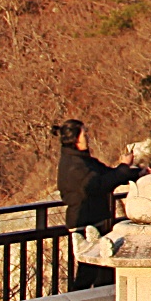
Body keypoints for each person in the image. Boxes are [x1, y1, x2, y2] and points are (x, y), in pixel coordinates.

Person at [54, 119, 141, 290]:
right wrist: (124, 166)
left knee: (103, 269)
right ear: (75, 139)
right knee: (88, 271)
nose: (88, 138)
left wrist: (136, 173)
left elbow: (109, 174)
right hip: (85, 224)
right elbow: (100, 184)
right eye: (84, 134)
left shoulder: (83, 161)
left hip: (95, 220)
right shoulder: (74, 165)